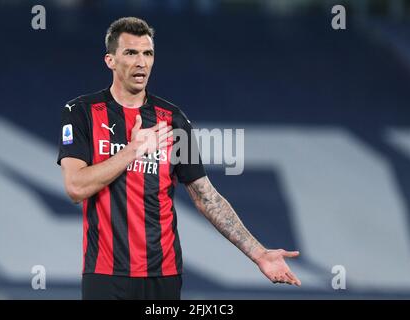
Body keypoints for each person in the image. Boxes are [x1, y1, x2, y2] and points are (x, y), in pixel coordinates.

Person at [57, 16, 301, 300]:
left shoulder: (172, 119)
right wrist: (132, 150)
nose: (141, 62)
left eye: (147, 53)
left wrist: (258, 253)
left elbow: (205, 196)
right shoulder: (81, 112)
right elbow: (75, 187)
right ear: (110, 60)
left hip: (164, 275)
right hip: (105, 276)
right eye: (131, 53)